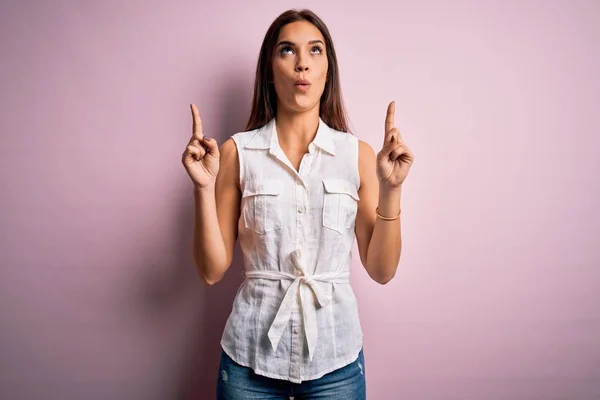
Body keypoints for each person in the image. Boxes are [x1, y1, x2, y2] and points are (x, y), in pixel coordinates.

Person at [181, 8, 414, 400]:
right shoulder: (237, 152)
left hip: (336, 362)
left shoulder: (356, 154)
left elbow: (382, 270)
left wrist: (392, 189)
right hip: (249, 360)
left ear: (328, 70)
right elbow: (210, 271)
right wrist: (203, 189)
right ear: (270, 70)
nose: (302, 63)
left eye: (315, 51)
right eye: (287, 50)